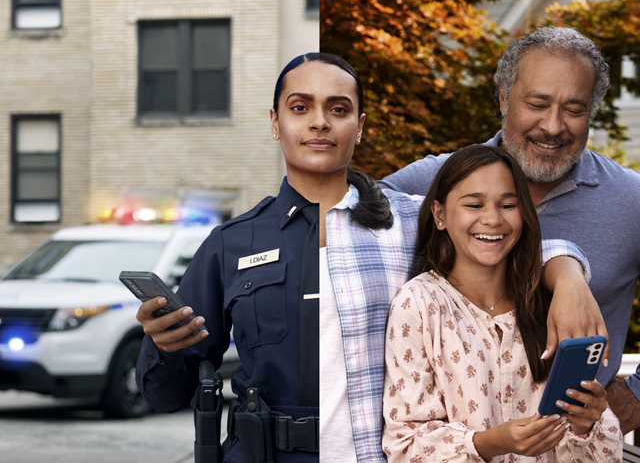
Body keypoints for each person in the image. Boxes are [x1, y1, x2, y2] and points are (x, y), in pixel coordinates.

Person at [134, 52, 600, 463]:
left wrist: (569, 277)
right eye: (300, 108)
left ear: (360, 126)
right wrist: (162, 345)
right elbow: (167, 394)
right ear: (275, 122)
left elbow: (500, 237)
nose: (320, 122)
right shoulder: (231, 243)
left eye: (338, 110)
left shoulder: (406, 223)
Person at [379, 26, 640, 434]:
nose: (553, 126)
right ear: (503, 98)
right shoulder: (436, 182)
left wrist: (637, 396)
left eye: (574, 109)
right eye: (537, 103)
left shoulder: (631, 201)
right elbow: (344, 223)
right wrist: (562, 267)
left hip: (574, 450)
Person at [382, 145, 622, 462]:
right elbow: (405, 445)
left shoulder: (552, 303)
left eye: (508, 205)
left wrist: (587, 424)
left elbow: (603, 454)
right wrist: (491, 442)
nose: (493, 219)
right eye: (474, 204)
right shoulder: (418, 305)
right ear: (439, 215)